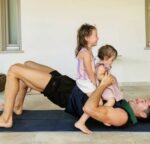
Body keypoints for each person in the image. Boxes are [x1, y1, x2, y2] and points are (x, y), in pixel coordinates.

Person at [0, 61, 150, 131]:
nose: (140, 99)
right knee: (27, 64)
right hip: (71, 85)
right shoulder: (122, 102)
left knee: (14, 70)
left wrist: (103, 84)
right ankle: (17, 107)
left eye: (144, 102)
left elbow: (89, 109)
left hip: (67, 95)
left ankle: (6, 119)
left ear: (142, 113)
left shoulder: (122, 116)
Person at [74, 44, 123, 134]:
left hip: (103, 86)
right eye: (112, 60)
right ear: (105, 57)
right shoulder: (101, 67)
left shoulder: (102, 65)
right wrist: (107, 78)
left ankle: (101, 113)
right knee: (111, 100)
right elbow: (99, 76)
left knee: (110, 99)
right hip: (102, 86)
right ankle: (102, 116)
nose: (112, 62)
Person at [74, 24, 98, 134]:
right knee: (98, 100)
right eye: (95, 35)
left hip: (86, 79)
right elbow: (89, 71)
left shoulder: (88, 51)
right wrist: (96, 85)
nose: (98, 38)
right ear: (86, 38)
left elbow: (92, 69)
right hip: (84, 81)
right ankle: (81, 122)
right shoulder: (86, 53)